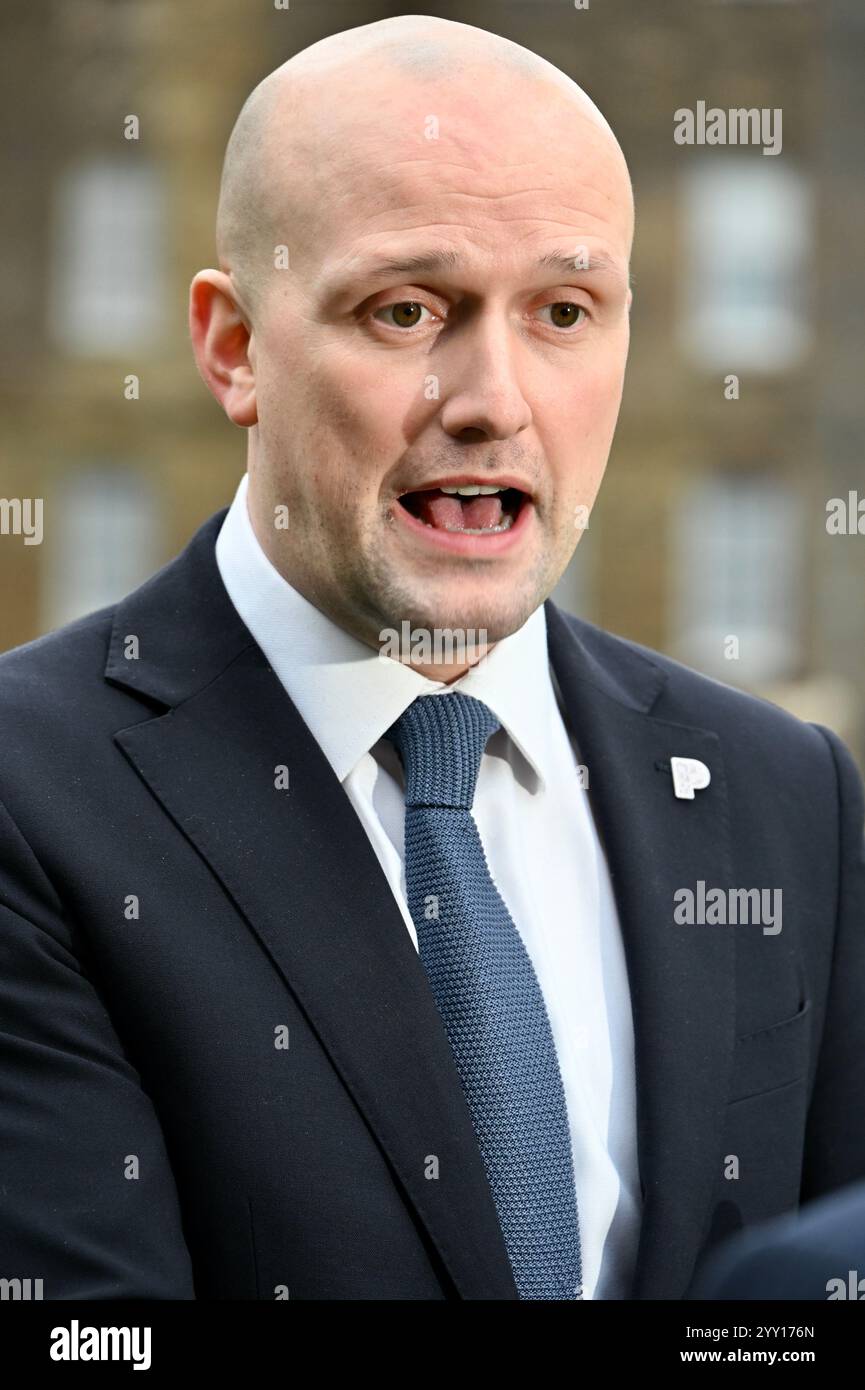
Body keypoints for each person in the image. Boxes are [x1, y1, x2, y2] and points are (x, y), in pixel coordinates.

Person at [0, 14, 863, 1302]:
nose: (493, 397)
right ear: (235, 348)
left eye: (565, 311)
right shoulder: (30, 794)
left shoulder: (784, 792)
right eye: (408, 309)